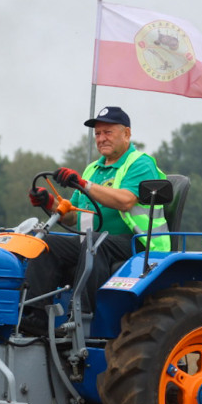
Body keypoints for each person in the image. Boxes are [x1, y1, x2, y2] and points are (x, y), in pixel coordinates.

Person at [21, 106, 167, 333]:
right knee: (44, 244)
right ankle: (34, 318)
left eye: (108, 132)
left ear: (126, 134)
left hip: (138, 244)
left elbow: (126, 201)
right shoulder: (93, 168)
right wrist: (48, 202)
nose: (101, 139)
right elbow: (71, 217)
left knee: (96, 242)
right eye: (98, 134)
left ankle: (83, 318)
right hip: (95, 241)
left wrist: (83, 184)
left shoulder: (140, 163)